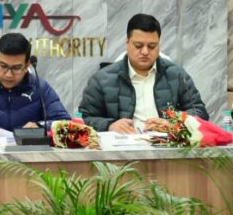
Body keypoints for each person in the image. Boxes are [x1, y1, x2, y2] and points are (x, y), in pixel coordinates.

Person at [79, 13, 208, 133]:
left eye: (152, 46)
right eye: (138, 45)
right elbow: (83, 119)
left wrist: (173, 123)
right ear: (127, 42)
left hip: (167, 145)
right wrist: (109, 125)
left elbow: (200, 112)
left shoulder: (177, 75)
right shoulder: (102, 79)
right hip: (123, 146)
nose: (145, 52)